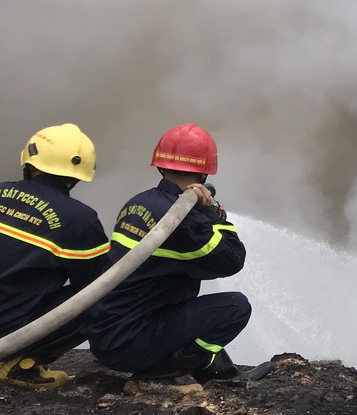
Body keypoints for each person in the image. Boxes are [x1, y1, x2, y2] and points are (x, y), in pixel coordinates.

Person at [84, 123, 253, 385]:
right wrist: (213, 215)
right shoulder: (182, 221)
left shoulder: (139, 202)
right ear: (206, 172)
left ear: (161, 165)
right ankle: (157, 377)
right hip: (132, 343)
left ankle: (211, 368)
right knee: (235, 307)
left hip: (105, 334)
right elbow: (231, 259)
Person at [0, 123, 110, 389]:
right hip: (9, 330)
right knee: (100, 295)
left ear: (29, 161)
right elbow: (96, 283)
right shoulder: (79, 220)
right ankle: (19, 365)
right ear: (78, 175)